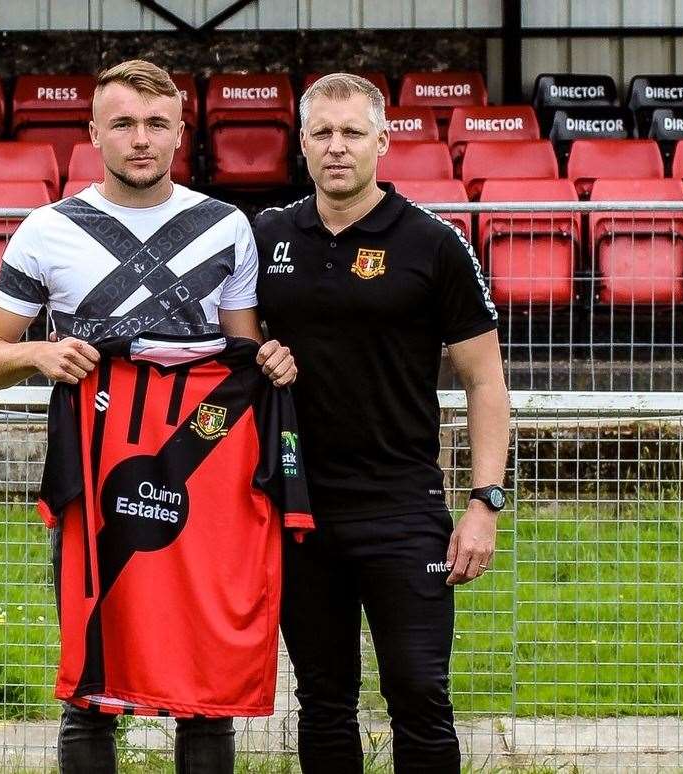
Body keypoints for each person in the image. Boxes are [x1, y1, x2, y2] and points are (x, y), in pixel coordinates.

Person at [0, 59, 296, 774]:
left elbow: (239, 356)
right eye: (122, 124)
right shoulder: (47, 230)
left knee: (203, 688)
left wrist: (268, 360)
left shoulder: (224, 226)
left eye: (155, 124)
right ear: (93, 135)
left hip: (200, 475)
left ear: (180, 133)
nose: (139, 139)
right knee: (90, 687)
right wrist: (41, 356)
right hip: (92, 475)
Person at [253, 73, 511, 773]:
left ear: (382, 142)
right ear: (301, 144)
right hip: (299, 509)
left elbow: (485, 382)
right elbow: (232, 355)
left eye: (352, 132)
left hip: (402, 506)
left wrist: (483, 504)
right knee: (323, 699)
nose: (337, 148)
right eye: (322, 133)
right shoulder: (266, 236)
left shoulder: (432, 244)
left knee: (418, 692)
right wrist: (261, 355)